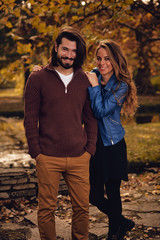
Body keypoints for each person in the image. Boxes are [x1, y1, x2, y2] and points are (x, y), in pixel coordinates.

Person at [24, 26, 97, 240]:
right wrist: (36, 151)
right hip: (48, 156)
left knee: (82, 208)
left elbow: (90, 118)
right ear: (56, 47)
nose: (69, 55)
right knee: (46, 210)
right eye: (65, 49)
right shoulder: (37, 78)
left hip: (79, 157)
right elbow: (30, 118)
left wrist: (90, 149)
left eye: (74, 51)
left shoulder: (84, 79)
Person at [85, 39, 138, 240]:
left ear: (115, 60)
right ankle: (122, 222)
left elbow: (100, 111)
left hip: (114, 145)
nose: (102, 62)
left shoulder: (121, 85)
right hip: (95, 145)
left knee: (113, 192)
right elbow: (68, 78)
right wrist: (42, 69)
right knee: (94, 195)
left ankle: (114, 233)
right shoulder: (93, 75)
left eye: (107, 58)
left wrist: (95, 86)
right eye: (99, 58)